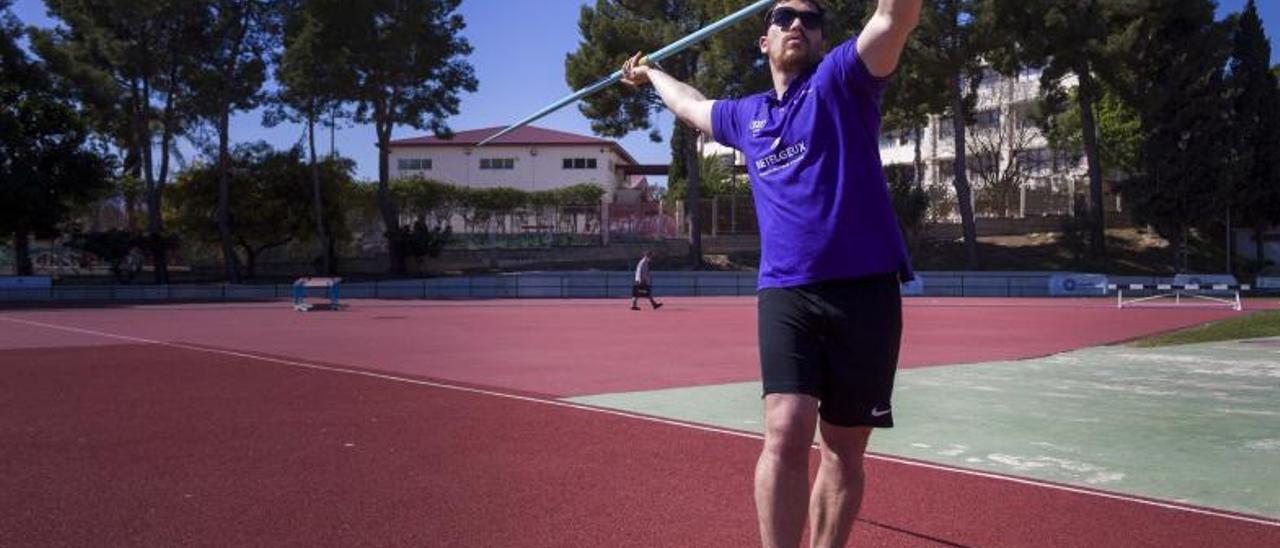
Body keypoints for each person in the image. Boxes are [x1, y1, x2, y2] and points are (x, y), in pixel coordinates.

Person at [620, 1, 919, 546]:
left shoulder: (841, 82)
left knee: (842, 448)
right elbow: (692, 106)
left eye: (811, 17)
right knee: (783, 430)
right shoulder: (748, 116)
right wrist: (652, 73)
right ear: (764, 41)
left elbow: (892, 19)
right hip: (786, 291)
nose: (797, 23)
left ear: (825, 40)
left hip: (865, 291)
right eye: (782, 16)